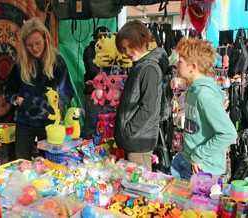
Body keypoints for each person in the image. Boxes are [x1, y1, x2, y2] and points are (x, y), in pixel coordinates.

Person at [5, 17, 74, 160]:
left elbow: (68, 92)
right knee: (21, 164)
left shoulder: (57, 61)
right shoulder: (19, 64)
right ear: (24, 45)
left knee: (49, 165)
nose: (34, 48)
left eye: (38, 43)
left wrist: (53, 104)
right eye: (30, 45)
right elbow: (9, 92)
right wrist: (19, 101)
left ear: (46, 39)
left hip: (50, 125)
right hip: (24, 123)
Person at [170, 37, 237, 180]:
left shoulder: (204, 95)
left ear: (192, 67)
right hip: (188, 162)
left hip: (202, 170)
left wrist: (199, 155)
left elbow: (229, 133)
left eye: (180, 62)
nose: (176, 65)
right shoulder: (193, 90)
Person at [114, 20, 169, 171]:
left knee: (140, 187)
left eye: (131, 47)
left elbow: (148, 107)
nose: (127, 52)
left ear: (144, 40)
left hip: (139, 140)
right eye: (124, 48)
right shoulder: (141, 65)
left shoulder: (149, 67)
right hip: (136, 139)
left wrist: (128, 131)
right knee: (135, 185)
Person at [82, 26, 111, 139]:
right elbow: (92, 71)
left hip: (109, 94)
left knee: (108, 125)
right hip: (94, 93)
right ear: (95, 38)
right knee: (91, 123)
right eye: (100, 38)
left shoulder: (111, 51)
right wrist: (108, 78)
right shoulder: (90, 50)